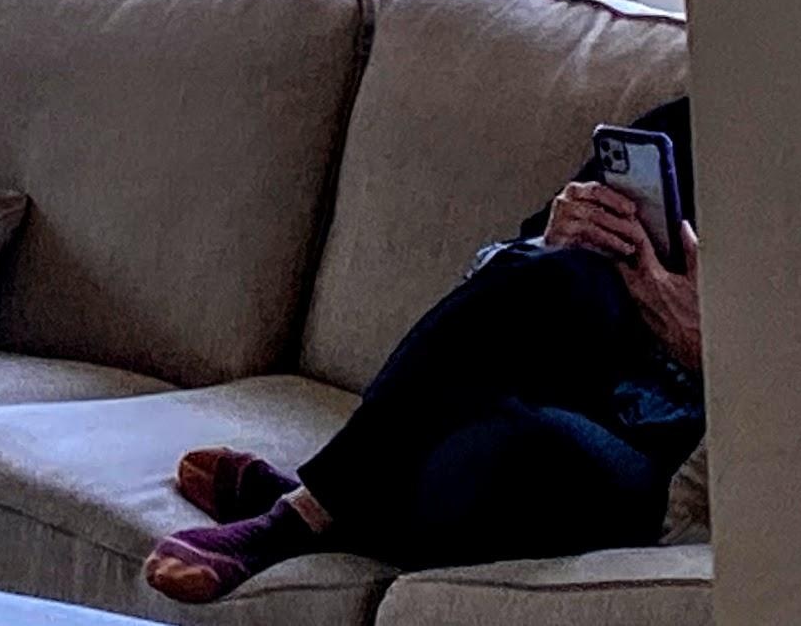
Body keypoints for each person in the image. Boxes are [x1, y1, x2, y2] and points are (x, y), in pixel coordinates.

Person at [144, 99, 700, 604]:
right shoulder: (683, 129)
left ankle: (306, 510)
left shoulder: (788, 194)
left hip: (649, 455)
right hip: (550, 394)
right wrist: (545, 239)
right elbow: (492, 272)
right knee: (560, 276)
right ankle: (310, 512)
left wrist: (704, 346)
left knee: (505, 453)